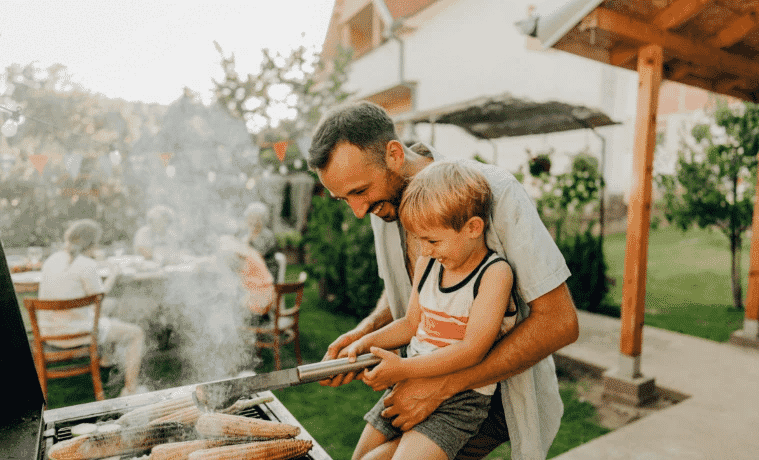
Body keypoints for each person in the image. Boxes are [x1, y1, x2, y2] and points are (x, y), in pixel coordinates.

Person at [308, 101, 579, 460]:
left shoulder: (496, 192)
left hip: (488, 392)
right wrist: (364, 334)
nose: (358, 211)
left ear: (392, 154)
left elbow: (560, 322)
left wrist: (439, 387)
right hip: (420, 377)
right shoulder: (383, 201)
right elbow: (414, 293)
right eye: (345, 199)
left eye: (359, 192)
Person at [345, 162, 519, 460]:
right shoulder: (430, 263)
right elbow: (411, 323)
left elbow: (472, 350)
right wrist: (365, 342)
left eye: (432, 240)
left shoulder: (494, 274)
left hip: (460, 399)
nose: (424, 251)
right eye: (419, 240)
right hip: (411, 381)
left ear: (473, 228)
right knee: (360, 456)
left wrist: (403, 368)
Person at [38, 219, 146, 397]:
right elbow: (99, 298)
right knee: (136, 333)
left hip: (48, 332)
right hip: (78, 334)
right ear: (93, 244)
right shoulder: (85, 264)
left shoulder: (52, 260)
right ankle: (130, 390)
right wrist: (113, 275)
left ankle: (105, 364)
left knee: (111, 309)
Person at [241, 202, 279, 281]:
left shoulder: (268, 236)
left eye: (257, 218)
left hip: (266, 274)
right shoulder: (244, 235)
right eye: (251, 218)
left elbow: (258, 256)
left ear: (263, 220)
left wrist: (248, 241)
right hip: (251, 273)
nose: (254, 221)